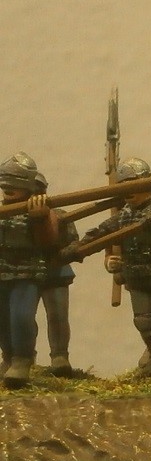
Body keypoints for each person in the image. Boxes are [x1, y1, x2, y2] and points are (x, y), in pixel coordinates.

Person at [78, 158, 151, 381]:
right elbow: (100, 234)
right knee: (145, 322)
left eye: (132, 183)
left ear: (147, 184)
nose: (127, 190)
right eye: (122, 185)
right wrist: (77, 248)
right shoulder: (123, 216)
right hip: (136, 276)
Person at [0, 153, 61, 388]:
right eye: (5, 184)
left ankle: (22, 360)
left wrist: (39, 218)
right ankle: (8, 357)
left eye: (14, 184)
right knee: (3, 319)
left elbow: (48, 242)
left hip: (26, 273)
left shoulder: (39, 209)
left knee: (21, 317)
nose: (8, 189)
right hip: (2, 271)